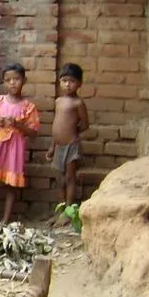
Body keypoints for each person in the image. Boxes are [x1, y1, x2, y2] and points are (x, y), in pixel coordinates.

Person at [0, 64, 41, 224]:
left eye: (16, 79)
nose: (12, 83)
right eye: (8, 80)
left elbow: (33, 133)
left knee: (11, 184)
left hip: (14, 148)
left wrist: (18, 125)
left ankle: (5, 220)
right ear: (4, 82)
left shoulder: (28, 107)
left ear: (24, 80)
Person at [47, 63, 90, 208]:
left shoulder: (78, 103)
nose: (67, 84)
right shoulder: (58, 101)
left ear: (79, 84)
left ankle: (69, 210)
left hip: (71, 145)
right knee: (59, 179)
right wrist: (52, 147)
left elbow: (85, 125)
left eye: (72, 81)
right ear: (59, 82)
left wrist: (72, 132)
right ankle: (61, 208)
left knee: (70, 178)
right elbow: (56, 127)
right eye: (64, 80)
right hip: (58, 146)